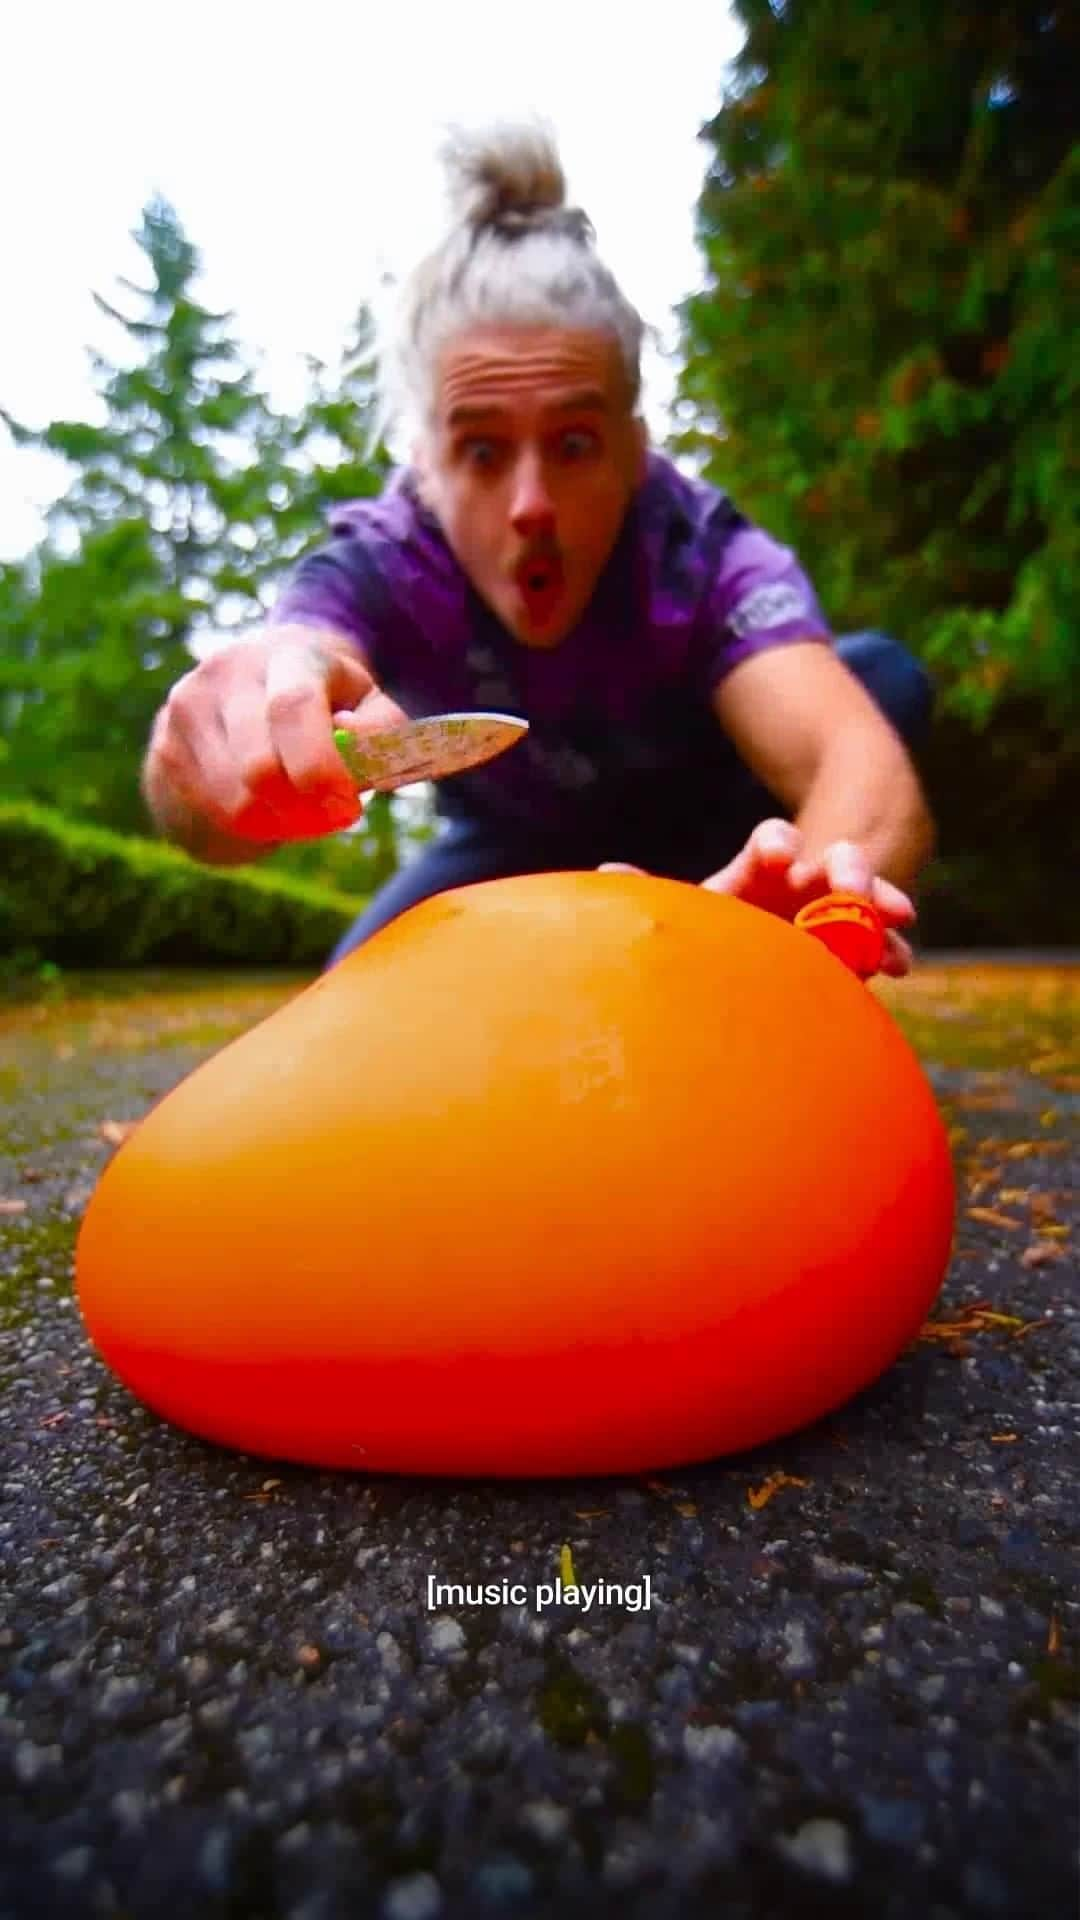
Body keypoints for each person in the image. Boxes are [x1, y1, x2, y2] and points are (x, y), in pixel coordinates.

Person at [142, 122, 935, 978]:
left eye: (575, 445)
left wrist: (778, 934)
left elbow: (856, 761)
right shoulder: (378, 561)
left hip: (715, 830)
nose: (531, 507)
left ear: (635, 449)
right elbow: (243, 753)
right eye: (482, 452)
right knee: (354, 991)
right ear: (425, 467)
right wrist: (224, 742)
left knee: (879, 676)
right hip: (512, 846)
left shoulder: (697, 547)